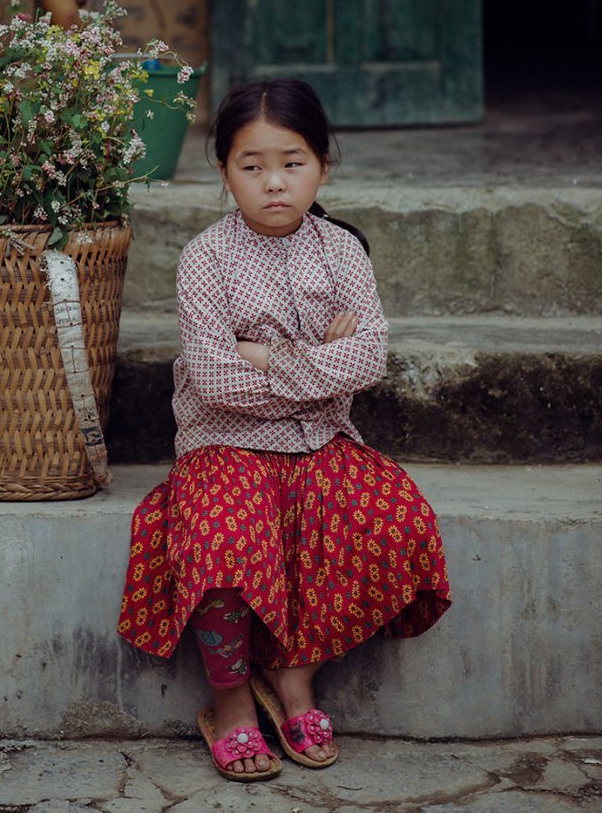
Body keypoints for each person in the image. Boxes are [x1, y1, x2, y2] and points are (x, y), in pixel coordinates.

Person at [117, 79, 451, 782]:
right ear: (224, 174)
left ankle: (295, 678)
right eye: (252, 165)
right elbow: (214, 382)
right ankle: (232, 703)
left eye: (292, 163)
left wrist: (266, 355)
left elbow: (370, 357)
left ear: (324, 165)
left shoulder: (342, 252)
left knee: (393, 522)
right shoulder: (205, 259)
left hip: (323, 442)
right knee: (222, 540)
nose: (274, 182)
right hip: (220, 444)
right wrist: (318, 368)